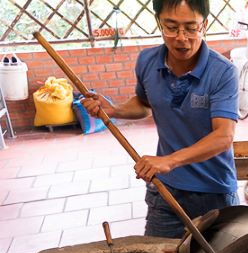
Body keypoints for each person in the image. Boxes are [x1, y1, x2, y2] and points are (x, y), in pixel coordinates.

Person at [82, 0, 239, 239]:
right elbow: (145, 104)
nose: (181, 37)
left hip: (214, 191)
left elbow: (223, 137)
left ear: (204, 25)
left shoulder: (222, 72)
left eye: (191, 27)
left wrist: (170, 160)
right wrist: (113, 110)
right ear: (159, 23)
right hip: (165, 189)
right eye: (171, 27)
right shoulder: (147, 61)